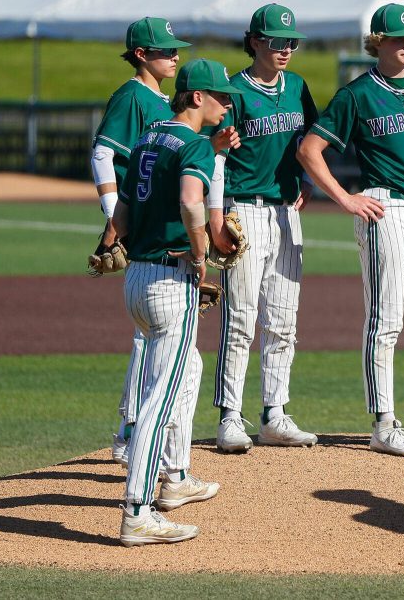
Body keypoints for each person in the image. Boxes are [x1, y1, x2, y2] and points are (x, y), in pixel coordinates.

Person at [297, 3, 404, 458]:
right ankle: (382, 424)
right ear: (378, 42)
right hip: (384, 210)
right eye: (399, 38)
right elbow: (309, 150)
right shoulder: (356, 95)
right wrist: (346, 199)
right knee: (386, 320)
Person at [112, 58, 241, 546]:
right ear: (194, 98)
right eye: (220, 96)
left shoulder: (147, 138)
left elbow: (122, 211)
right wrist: (202, 251)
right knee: (157, 401)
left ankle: (175, 478)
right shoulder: (194, 145)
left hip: (137, 278)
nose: (226, 104)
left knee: (184, 371)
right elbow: (192, 202)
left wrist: (110, 244)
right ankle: (138, 512)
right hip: (171, 280)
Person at [209, 3, 319, 453]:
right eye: (276, 41)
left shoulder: (297, 86)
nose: (285, 49)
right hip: (245, 210)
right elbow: (213, 154)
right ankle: (230, 417)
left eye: (291, 41)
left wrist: (309, 179)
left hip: (285, 212)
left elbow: (312, 140)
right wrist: (217, 216)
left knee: (283, 319)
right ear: (254, 41)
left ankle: (274, 413)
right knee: (240, 318)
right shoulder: (232, 91)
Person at [91, 17, 191, 467]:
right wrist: (114, 217)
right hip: (137, 218)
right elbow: (102, 153)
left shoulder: (160, 98)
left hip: (146, 216)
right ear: (140, 55)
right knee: (148, 331)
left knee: (147, 329)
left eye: (174, 50)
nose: (174, 56)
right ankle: (131, 432)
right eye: (164, 50)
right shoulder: (132, 96)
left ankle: (129, 431)